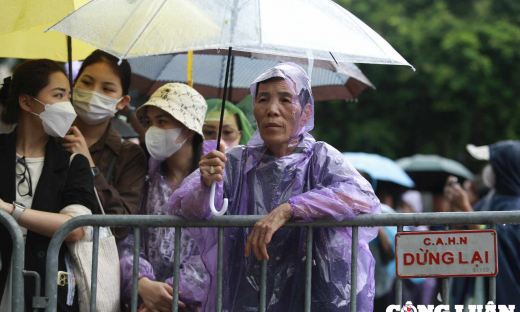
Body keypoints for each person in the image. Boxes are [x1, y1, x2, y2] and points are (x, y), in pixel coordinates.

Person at [170, 63, 381, 311]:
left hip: (313, 292)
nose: (272, 110)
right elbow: (183, 206)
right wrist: (206, 184)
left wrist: (289, 209)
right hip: (245, 294)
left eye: (285, 99)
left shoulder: (321, 157)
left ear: (305, 112)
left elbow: (361, 196)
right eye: (263, 99)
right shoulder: (235, 161)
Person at [0, 59, 98, 311]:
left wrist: (10, 211)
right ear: (26, 102)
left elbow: (75, 227)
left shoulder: (73, 162)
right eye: (58, 95)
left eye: (68, 96)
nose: (67, 105)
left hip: (45, 291)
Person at [118, 83, 210, 312]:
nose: (152, 131)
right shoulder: (144, 176)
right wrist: (143, 283)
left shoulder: (214, 181)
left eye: (162, 122)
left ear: (189, 128)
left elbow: (214, 253)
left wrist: (166, 296)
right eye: (148, 123)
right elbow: (129, 236)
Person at [64, 50, 147, 240]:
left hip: (94, 263)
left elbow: (121, 225)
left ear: (122, 102)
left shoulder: (129, 155)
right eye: (87, 83)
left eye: (107, 89)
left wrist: (88, 165)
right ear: (74, 86)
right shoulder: (50, 139)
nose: (94, 93)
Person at [446, 141, 520, 307]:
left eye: (493, 165)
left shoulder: (516, 206)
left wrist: (465, 207)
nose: (488, 170)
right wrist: (454, 205)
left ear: (505, 169)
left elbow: (492, 242)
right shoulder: (489, 200)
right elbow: (462, 233)